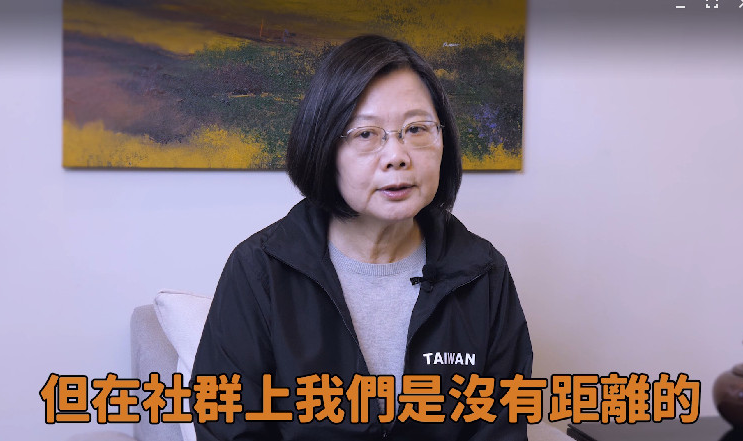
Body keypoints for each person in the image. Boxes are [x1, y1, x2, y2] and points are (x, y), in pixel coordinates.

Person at [191, 34, 533, 441]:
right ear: (324, 148)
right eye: (366, 134)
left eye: (416, 129)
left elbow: (501, 428)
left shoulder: (482, 273)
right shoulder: (259, 271)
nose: (397, 156)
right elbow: (227, 425)